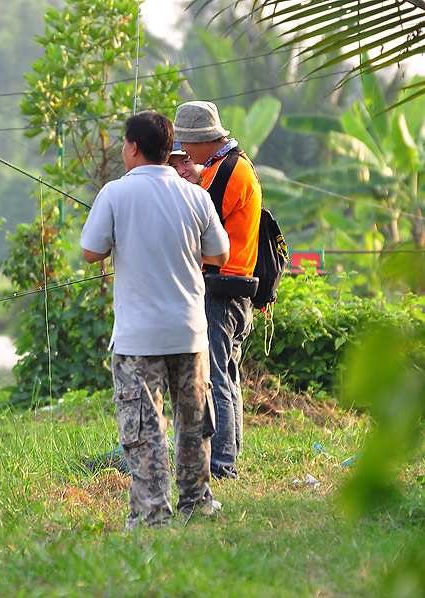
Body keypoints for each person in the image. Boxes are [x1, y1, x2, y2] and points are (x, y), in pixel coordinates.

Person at [80, 110, 230, 529]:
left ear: (132, 147)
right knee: (193, 427)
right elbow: (220, 256)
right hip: (189, 332)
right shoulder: (195, 196)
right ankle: (197, 504)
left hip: (137, 340)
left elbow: (92, 252)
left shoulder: (114, 194)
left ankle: (152, 515)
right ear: (171, 150)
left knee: (145, 429)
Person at [174, 101, 262, 480]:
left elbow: (202, 224)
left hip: (224, 286)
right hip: (233, 286)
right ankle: (228, 454)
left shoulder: (229, 170)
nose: (185, 154)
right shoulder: (223, 166)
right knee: (228, 372)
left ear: (202, 140)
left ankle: (223, 462)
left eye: (187, 145)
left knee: (219, 376)